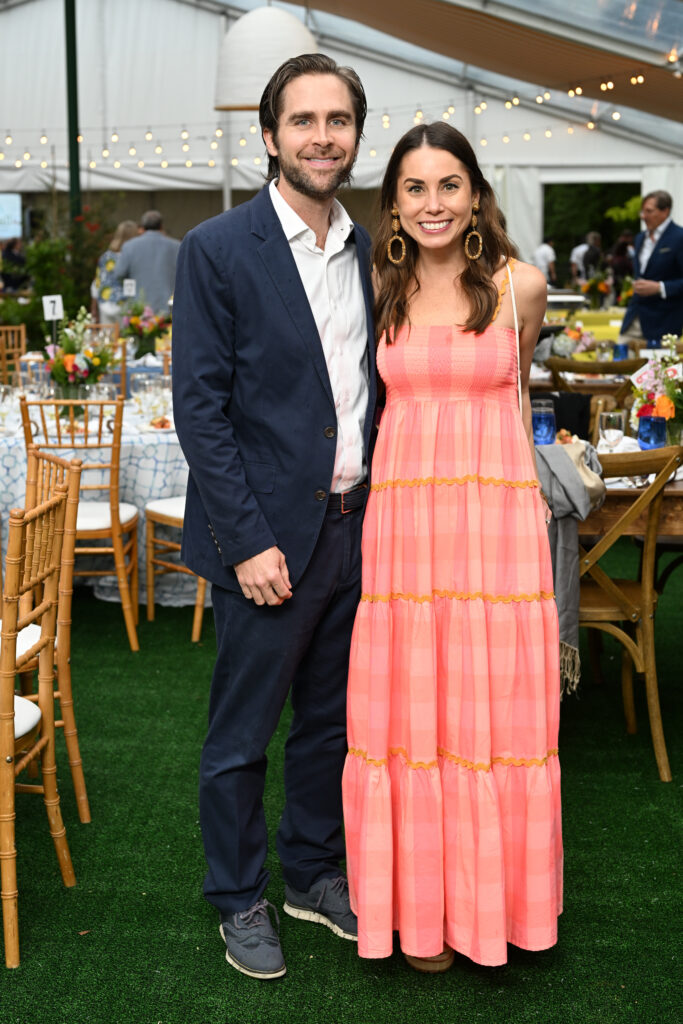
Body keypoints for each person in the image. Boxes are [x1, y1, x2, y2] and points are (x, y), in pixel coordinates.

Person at [172, 53, 377, 981]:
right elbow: (200, 411)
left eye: (337, 121)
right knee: (241, 736)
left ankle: (310, 874)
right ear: (269, 137)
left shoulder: (371, 249)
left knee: (330, 726)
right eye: (303, 121)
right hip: (267, 541)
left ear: (353, 137)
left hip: (355, 528)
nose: (321, 136)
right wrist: (247, 539)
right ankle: (238, 896)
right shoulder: (218, 249)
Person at [342, 121, 562, 973]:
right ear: (393, 205)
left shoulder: (521, 288)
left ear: (474, 193)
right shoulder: (376, 286)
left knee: (493, 718)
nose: (432, 203)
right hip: (404, 535)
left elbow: (513, 398)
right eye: (414, 188)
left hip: (494, 534)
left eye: (447, 184)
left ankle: (492, 912)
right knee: (409, 716)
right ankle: (421, 916)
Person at [619, 190, 683, 343]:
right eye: (643, 211)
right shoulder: (640, 238)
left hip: (665, 322)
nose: (643, 216)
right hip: (634, 318)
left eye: (649, 211)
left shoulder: (679, 237)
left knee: (659, 367)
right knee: (620, 363)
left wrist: (660, 287)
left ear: (665, 211)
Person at [115, 209, 179, 314]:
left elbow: (119, 273)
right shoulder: (176, 246)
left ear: (142, 227)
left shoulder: (129, 246)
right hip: (167, 306)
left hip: (139, 308)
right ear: (161, 226)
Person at [90, 219, 138, 323]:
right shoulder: (132, 257)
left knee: (108, 337)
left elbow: (96, 283)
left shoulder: (105, 257)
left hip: (104, 303)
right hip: (124, 304)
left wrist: (93, 308)